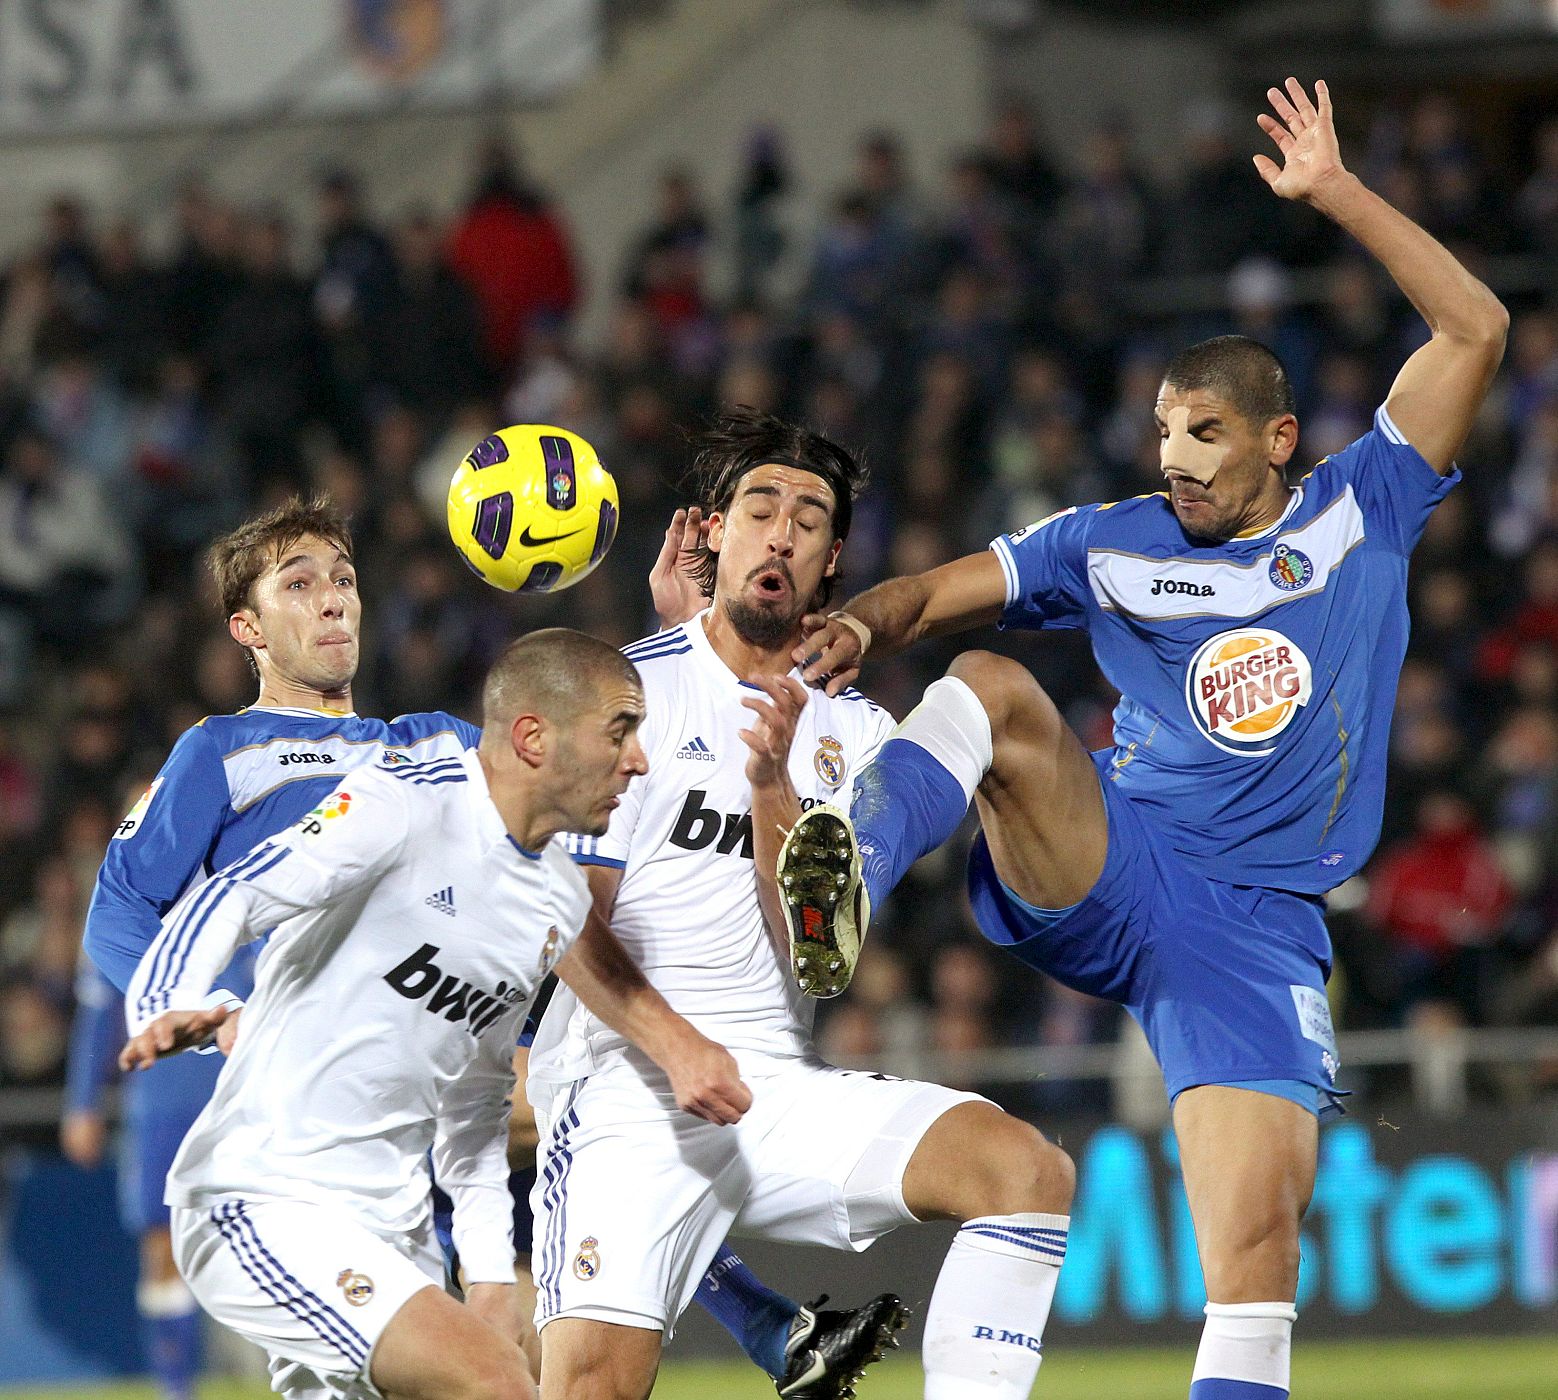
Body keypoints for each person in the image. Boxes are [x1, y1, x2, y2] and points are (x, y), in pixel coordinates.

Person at [781, 79, 1508, 1400]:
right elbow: (936, 593)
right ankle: (846, 879)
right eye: (1163, 430)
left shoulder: (1366, 507)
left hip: (1252, 929)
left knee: (1251, 1261)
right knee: (993, 682)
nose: (1171, 457)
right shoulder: (1111, 542)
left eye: (1204, 434)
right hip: (1115, 856)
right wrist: (863, 624)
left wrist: (1335, 193)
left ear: (1279, 440)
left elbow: (1476, 324)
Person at [78, 493, 893, 1399]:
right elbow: (119, 912)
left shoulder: (425, 745)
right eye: (299, 584)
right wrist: (204, 1010)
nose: (332, 599)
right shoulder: (225, 751)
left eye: (342, 580)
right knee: (600, 1127)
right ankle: (768, 1324)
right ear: (248, 627)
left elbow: (569, 750)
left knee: (590, 1123)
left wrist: (680, 634)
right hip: (301, 1091)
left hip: (430, 1074)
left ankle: (764, 1326)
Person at [528, 409, 1076, 1400]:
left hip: (771, 1094)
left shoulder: (858, 733)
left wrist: (775, 786)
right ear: (713, 536)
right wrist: (674, 1043)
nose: (780, 531)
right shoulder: (622, 692)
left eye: (809, 518)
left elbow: (820, 950)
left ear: (830, 566)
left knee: (1024, 1171)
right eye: (761, 507)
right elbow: (567, 918)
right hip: (623, 1096)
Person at [115, 628, 719, 1400]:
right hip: (266, 1195)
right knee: (497, 1382)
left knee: (499, 1371)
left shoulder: (558, 900)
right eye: (620, 731)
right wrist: (169, 1000)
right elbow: (233, 895)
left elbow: (472, 1108)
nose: (638, 761)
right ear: (533, 737)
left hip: (396, 1238)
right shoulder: (402, 801)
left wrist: (493, 1277)